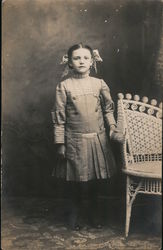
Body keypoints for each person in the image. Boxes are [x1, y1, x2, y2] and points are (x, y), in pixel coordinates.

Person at [51, 43, 124, 230]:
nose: (81, 61)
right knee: (76, 183)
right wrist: (60, 143)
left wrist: (113, 128)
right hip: (74, 141)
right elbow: (59, 117)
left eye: (85, 58)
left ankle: (93, 215)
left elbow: (108, 109)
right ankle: (74, 217)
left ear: (92, 61)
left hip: (97, 140)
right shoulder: (64, 86)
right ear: (69, 63)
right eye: (76, 58)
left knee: (94, 183)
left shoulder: (99, 84)